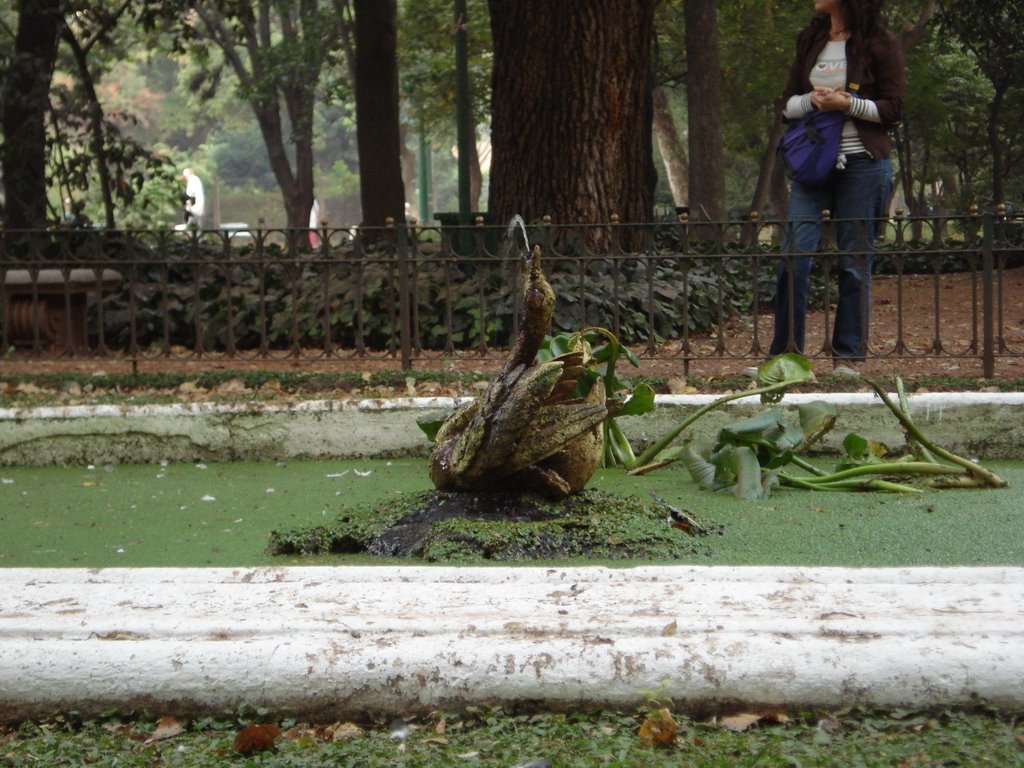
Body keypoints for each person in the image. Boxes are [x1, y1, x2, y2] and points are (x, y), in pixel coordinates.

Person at [754, 0, 904, 378]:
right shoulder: (811, 39)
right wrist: (813, 101)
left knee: (854, 264)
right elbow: (786, 105)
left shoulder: (880, 42)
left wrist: (848, 104)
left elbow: (893, 109)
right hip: (812, 166)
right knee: (794, 257)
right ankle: (785, 359)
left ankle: (847, 359)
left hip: (864, 164)